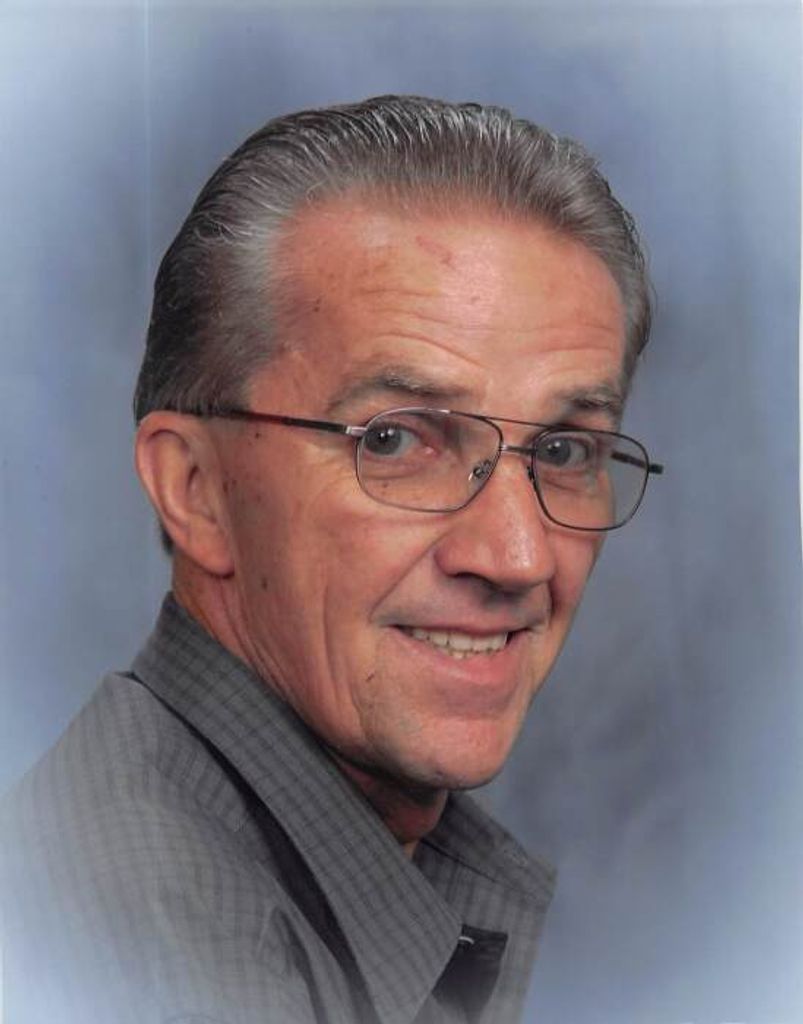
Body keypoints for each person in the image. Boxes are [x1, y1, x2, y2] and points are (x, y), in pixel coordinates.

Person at [0, 95, 661, 1023]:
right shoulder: (141, 958)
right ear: (195, 489)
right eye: (395, 440)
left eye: (562, 450)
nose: (517, 557)